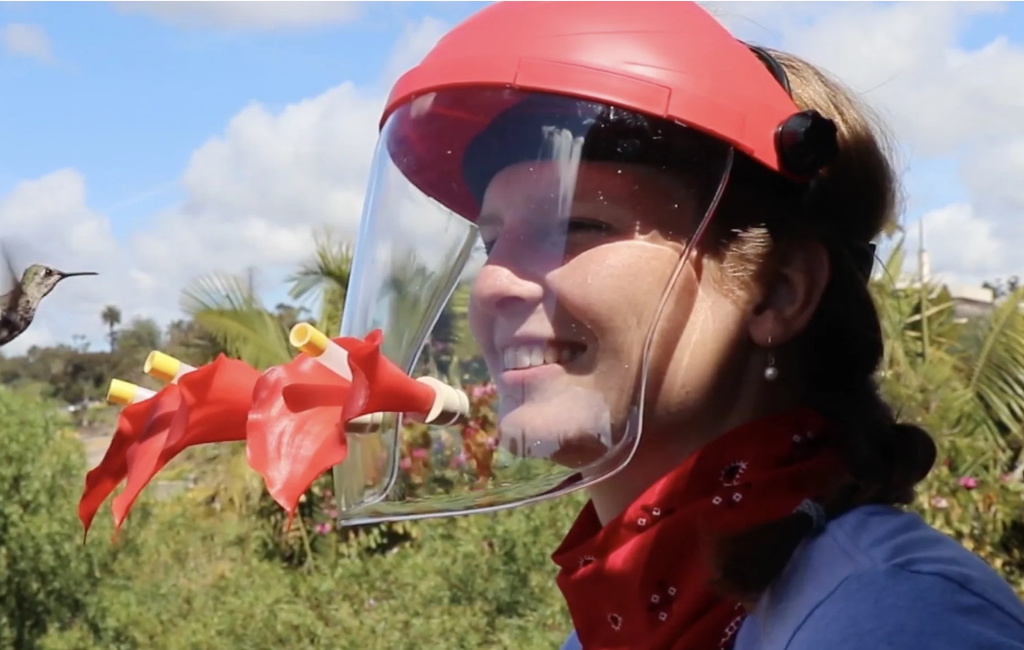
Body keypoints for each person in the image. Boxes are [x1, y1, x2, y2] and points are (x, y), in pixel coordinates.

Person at [90, 2, 1024, 648]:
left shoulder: (889, 620)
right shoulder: (632, 611)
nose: (492, 284)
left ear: (777, 295)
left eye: (578, 226)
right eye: (492, 240)